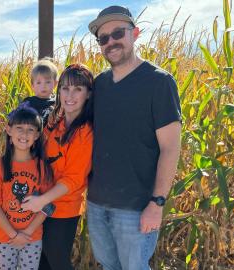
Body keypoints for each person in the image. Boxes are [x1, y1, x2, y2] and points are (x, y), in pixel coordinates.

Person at [86, 5, 182, 270]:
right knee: (108, 266)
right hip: (96, 203)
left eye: (118, 33)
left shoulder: (159, 82)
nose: (110, 42)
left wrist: (157, 203)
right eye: (103, 38)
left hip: (136, 208)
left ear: (135, 33)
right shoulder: (100, 85)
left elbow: (171, 148)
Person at [21, 64, 94, 270]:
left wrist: (41, 201)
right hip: (40, 201)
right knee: (41, 260)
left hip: (63, 209)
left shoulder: (85, 132)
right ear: (58, 90)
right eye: (65, 88)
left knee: (57, 260)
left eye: (78, 89)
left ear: (88, 94)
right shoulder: (54, 122)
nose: (70, 95)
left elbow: (73, 179)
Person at [0, 104, 55, 270]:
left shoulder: (41, 167)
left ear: (37, 135)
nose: (24, 134)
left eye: (30, 129)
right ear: (9, 130)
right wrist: (14, 235)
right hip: (5, 237)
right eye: (19, 128)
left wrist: (26, 234)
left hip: (32, 237)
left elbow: (47, 206)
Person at [21, 57, 58, 126]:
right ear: (32, 86)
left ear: (55, 84)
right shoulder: (28, 103)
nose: (43, 86)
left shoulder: (57, 103)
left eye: (47, 82)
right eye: (38, 83)